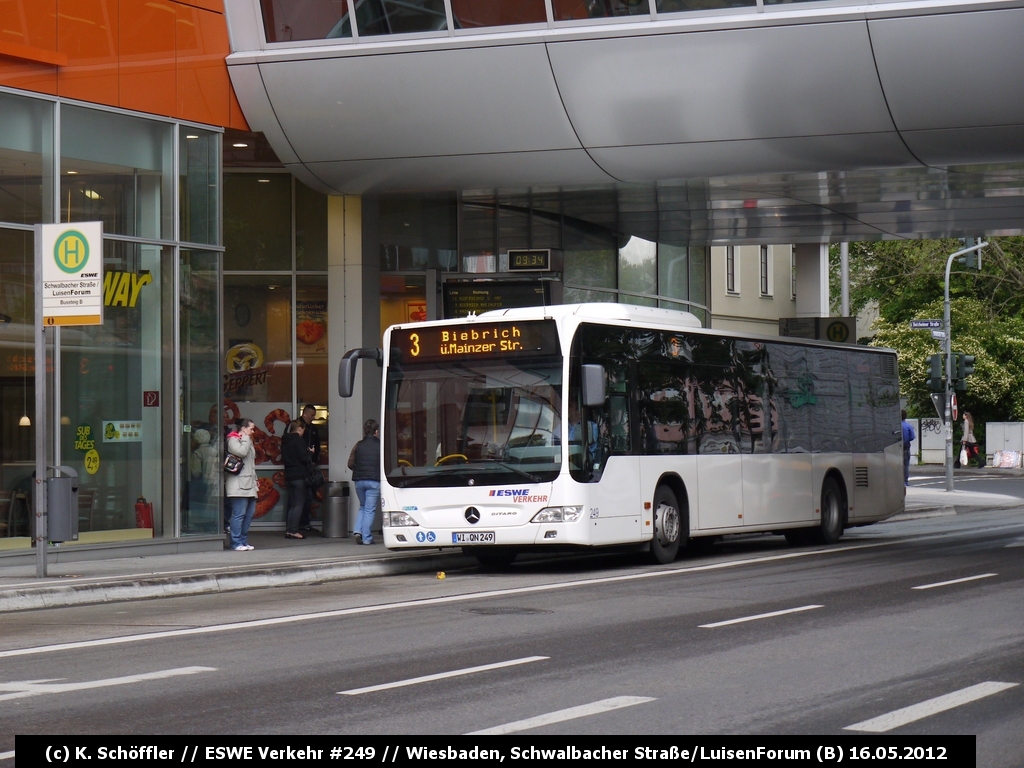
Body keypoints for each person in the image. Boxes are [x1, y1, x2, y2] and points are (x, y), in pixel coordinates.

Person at [225, 417, 258, 551]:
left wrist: (255, 480)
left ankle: (243, 541)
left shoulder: (247, 440)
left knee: (249, 514)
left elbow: (251, 464)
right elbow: (241, 452)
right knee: (239, 514)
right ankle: (236, 542)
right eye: (251, 429)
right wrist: (245, 438)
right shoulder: (233, 440)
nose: (253, 431)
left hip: (249, 483)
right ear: (244, 429)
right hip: (238, 484)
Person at [282, 419, 313, 539]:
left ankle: (289, 530)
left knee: (293, 504)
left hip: (288, 475)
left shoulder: (285, 441)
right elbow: (304, 458)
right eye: (303, 430)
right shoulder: (299, 440)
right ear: (299, 429)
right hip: (299, 475)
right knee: (299, 504)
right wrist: (310, 453)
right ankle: (294, 530)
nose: (303, 432)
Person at [350, 419, 380, 545]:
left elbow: (350, 463)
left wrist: (358, 470)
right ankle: (367, 538)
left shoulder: (358, 445)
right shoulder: (380, 445)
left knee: (363, 506)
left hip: (359, 481)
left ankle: (358, 530)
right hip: (374, 481)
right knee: (369, 509)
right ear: (376, 432)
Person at [298, 404, 322, 532]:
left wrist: (314, 459)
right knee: (299, 498)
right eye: (312, 415)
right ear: (305, 414)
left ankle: (303, 523)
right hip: (300, 468)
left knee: (307, 497)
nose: (313, 418)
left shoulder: (313, 429)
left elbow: (317, 445)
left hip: (309, 467)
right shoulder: (296, 427)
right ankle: (297, 525)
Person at [901, 409, 916, 487]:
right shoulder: (908, 426)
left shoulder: (895, 426)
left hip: (895, 448)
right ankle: (905, 481)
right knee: (905, 465)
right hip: (906, 447)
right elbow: (912, 437)